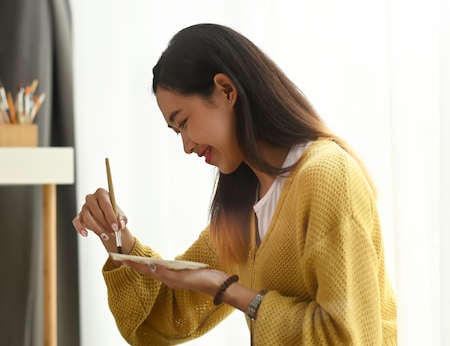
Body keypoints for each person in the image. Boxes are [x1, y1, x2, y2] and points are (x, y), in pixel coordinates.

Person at [72, 23, 397, 345]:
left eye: (183, 122)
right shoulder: (244, 205)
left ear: (226, 90)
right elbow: (162, 319)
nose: (186, 145)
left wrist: (227, 290)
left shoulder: (326, 176)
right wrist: (118, 240)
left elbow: (348, 337)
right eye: (176, 132)